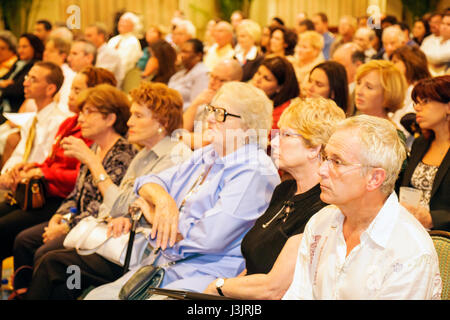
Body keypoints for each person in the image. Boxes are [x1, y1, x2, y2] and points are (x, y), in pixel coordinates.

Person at [76, 81, 281, 300]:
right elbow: (146, 182)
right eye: (211, 109)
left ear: (248, 127)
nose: (210, 118)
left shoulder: (254, 170)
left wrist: (154, 215)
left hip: (206, 275)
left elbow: (207, 238)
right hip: (165, 263)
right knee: (96, 297)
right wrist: (163, 201)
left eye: (221, 113)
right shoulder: (208, 154)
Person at [15, 81, 193, 297]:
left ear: (162, 121)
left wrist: (94, 165)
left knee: (52, 262)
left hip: (139, 252)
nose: (128, 122)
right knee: (61, 278)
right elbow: (114, 206)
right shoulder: (143, 154)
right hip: (114, 237)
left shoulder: (175, 156)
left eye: (138, 115)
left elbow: (125, 206)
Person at [283, 115, 442, 300]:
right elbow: (299, 295)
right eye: (325, 157)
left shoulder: (410, 250)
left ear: (374, 178)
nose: (322, 170)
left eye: (337, 162)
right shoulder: (321, 222)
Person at [204, 97, 346, 299]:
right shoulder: (285, 190)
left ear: (314, 148)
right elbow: (254, 268)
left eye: (286, 135)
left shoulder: (322, 205)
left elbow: (273, 288)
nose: (274, 141)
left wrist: (218, 286)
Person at [0, 67, 118, 289]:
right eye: (73, 89)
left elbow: (84, 187)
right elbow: (54, 163)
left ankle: (25, 288)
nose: (72, 95)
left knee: (27, 241)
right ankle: (22, 287)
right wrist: (33, 166)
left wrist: (64, 220)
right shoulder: (70, 123)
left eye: (78, 90)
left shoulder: (96, 136)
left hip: (61, 198)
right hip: (56, 197)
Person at [399, 75, 450, 232]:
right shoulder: (420, 143)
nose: (417, 108)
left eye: (425, 102)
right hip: (409, 228)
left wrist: (431, 219)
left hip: (443, 236)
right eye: (417, 102)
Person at [0, 62, 69, 174]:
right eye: (27, 77)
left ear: (50, 89)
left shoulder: (58, 122)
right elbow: (19, 154)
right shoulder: (32, 120)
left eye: (33, 80)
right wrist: (6, 173)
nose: (26, 83)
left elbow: (45, 162)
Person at [354, 60, 407, 137]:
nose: (359, 91)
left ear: (388, 94)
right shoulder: (356, 123)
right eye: (359, 83)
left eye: (369, 87)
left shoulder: (392, 136)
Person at [390, 45, 431, 139]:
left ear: (409, 63)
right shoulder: (400, 89)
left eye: (395, 62)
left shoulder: (420, 92)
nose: (391, 66)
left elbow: (403, 133)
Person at [251, 56, 299, 130]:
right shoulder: (250, 96)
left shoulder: (283, 116)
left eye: (266, 78)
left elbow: (273, 139)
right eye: (258, 73)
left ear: (279, 87)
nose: (258, 80)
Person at [0, 33, 44, 114]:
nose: (20, 50)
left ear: (34, 47)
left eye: (24, 47)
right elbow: (4, 78)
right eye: (19, 47)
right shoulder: (19, 62)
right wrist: (3, 84)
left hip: (15, 109)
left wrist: (5, 86)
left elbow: (18, 89)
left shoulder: (35, 65)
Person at [167, 39, 209, 111]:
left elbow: (197, 105)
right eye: (181, 51)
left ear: (198, 55)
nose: (181, 55)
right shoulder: (180, 74)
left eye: (185, 52)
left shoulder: (203, 74)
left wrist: (172, 107)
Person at [84, 23, 125, 88]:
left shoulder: (110, 54)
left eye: (89, 36)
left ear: (101, 37)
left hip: (108, 92)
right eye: (85, 36)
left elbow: (100, 79)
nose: (85, 39)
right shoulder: (93, 52)